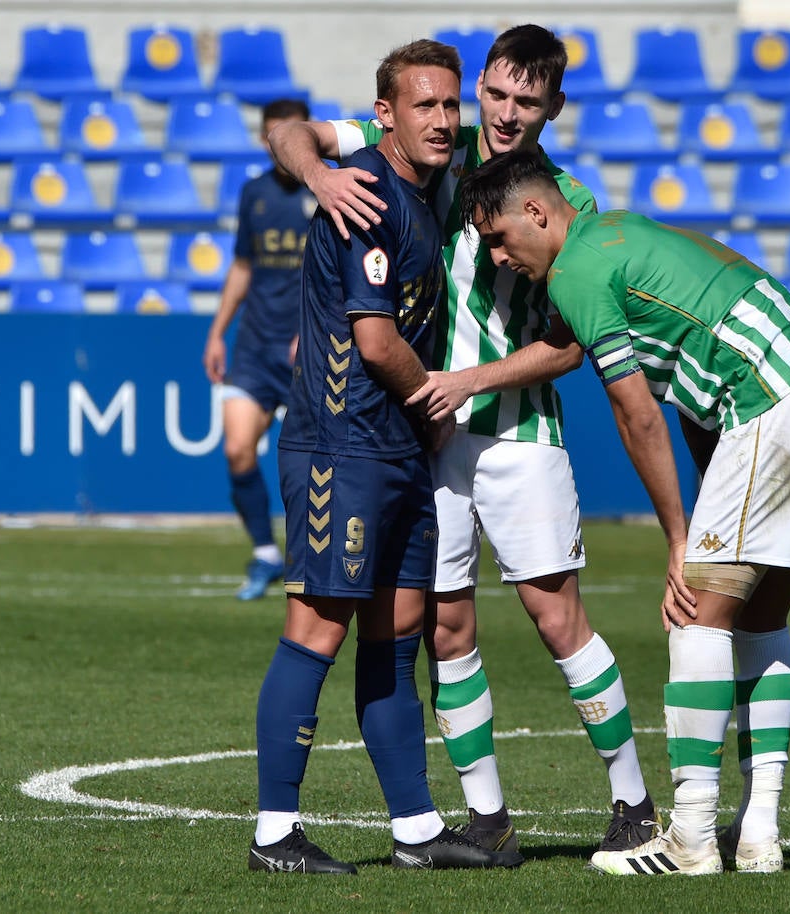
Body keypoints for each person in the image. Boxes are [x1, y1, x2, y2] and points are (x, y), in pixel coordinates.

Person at [268, 24, 658, 855]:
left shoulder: (569, 201)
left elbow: (571, 342)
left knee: (559, 621)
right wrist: (320, 177)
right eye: (497, 94)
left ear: (555, 105)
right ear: (481, 87)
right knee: (444, 628)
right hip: (427, 439)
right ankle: (485, 818)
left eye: (528, 100)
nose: (505, 114)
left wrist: (466, 383)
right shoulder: (434, 137)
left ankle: (632, 800)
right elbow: (287, 133)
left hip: (518, 434)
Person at [459, 151, 790, 877]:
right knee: (762, 616)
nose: (497, 257)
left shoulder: (575, 270)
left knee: (692, 615)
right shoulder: (619, 233)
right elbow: (687, 385)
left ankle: (691, 838)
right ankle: (759, 834)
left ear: (536, 212)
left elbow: (636, 412)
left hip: (770, 402)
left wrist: (679, 538)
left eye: (498, 239)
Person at [248, 39, 512, 875]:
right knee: (315, 630)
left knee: (399, 636)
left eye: (449, 105)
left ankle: (415, 831)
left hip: (396, 450)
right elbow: (374, 340)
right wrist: (438, 396)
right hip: (342, 446)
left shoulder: (428, 188)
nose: (442, 120)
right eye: (423, 106)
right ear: (385, 115)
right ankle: (274, 834)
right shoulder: (367, 193)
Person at [202, 98, 315, 601]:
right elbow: (243, 265)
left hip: (309, 350)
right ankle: (266, 554)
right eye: (271, 137)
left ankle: (313, 557)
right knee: (236, 449)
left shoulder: (328, 189)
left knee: (312, 462)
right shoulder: (254, 193)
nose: (279, 147)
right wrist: (216, 331)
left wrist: (315, 329)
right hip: (254, 344)